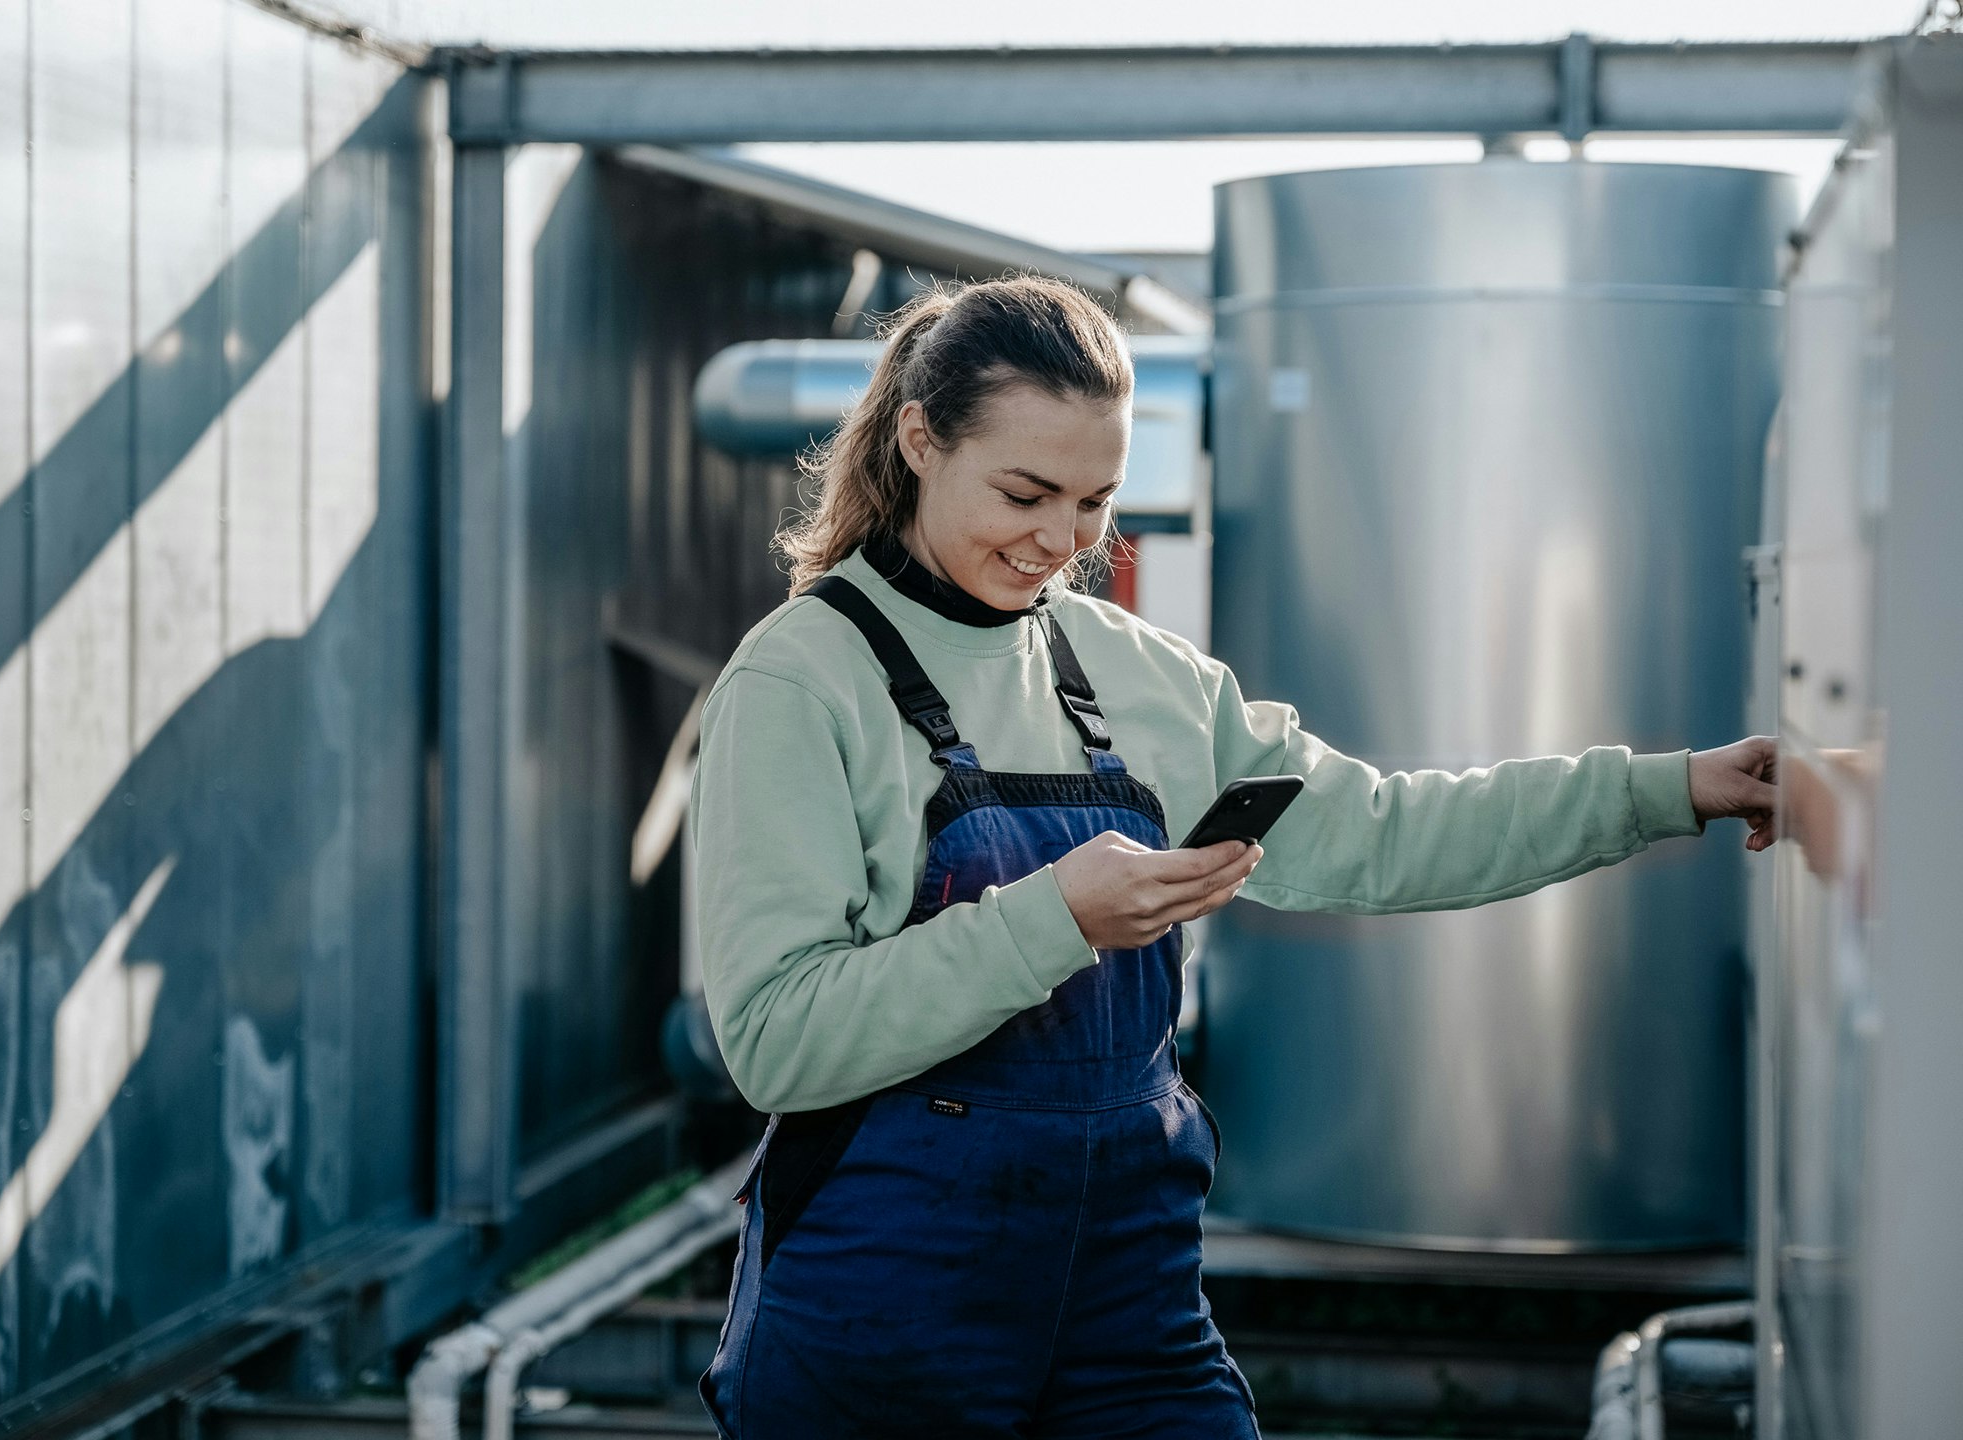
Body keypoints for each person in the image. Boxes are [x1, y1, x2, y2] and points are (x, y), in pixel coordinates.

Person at [689, 275, 1778, 1439]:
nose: (1059, 543)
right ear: (918, 439)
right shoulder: (802, 679)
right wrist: (1055, 916)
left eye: (1096, 502)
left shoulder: (1142, 672)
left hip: (1125, 1291)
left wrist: (1668, 789)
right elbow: (775, 1041)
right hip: (883, 1308)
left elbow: (1386, 828)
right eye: (1025, 493)